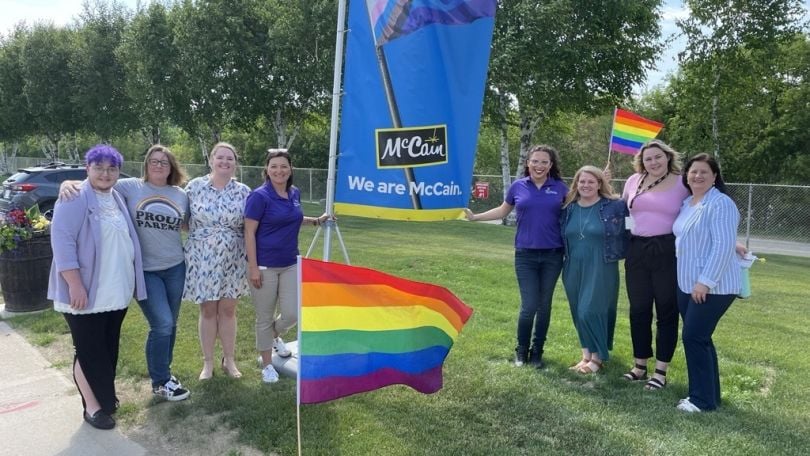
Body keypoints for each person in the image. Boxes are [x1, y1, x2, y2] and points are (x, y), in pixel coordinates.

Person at [60, 145, 191, 401]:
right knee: (162, 324)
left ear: (171, 166)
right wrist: (67, 182)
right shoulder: (129, 187)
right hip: (144, 272)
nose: (158, 166)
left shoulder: (181, 194)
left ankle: (165, 372)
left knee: (171, 324)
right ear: (146, 164)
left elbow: (188, 225)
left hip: (175, 267)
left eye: (164, 162)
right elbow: (95, 184)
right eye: (153, 161)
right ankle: (161, 381)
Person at [48, 145, 147, 430]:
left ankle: (105, 398)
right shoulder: (74, 196)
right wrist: (75, 285)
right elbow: (63, 244)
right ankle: (92, 408)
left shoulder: (116, 196)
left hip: (115, 293)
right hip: (85, 292)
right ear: (87, 168)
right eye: (99, 167)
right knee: (88, 349)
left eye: (112, 168)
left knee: (106, 349)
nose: (106, 174)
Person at [465, 145, 567, 367]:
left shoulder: (560, 188)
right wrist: (475, 217)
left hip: (553, 255)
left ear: (551, 165)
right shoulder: (518, 186)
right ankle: (521, 351)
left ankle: (537, 351)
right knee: (529, 305)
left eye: (544, 162)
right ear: (528, 163)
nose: (539, 166)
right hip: (525, 256)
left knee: (544, 305)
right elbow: (502, 211)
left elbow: (580, 208)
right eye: (535, 161)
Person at [244, 149, 328, 383]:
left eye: (283, 166)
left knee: (292, 312)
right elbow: (249, 232)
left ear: (290, 169)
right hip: (263, 265)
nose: (279, 171)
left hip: (290, 262)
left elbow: (292, 216)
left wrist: (315, 221)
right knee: (264, 316)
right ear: (267, 170)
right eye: (274, 166)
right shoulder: (259, 196)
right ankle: (267, 365)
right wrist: (253, 267)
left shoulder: (294, 193)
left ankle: (272, 335)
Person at [672, 153, 741, 413]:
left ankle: (701, 401)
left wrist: (705, 282)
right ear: (686, 175)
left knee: (693, 337)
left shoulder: (721, 203)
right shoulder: (688, 202)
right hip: (685, 283)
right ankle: (711, 395)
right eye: (693, 171)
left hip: (713, 286)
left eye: (704, 172)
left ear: (714, 177)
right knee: (701, 338)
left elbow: (723, 245)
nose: (697, 176)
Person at [620, 140, 689, 390]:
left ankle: (660, 371)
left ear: (668, 157)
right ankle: (639, 366)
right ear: (642, 161)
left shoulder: (683, 182)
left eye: (658, 157)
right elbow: (624, 212)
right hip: (637, 250)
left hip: (667, 251)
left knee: (666, 311)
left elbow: (700, 212)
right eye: (649, 158)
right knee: (638, 309)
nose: (654, 162)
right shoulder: (632, 181)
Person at [184, 142, 251, 380]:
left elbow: (255, 223)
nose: (225, 162)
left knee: (229, 309)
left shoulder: (243, 191)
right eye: (220, 157)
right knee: (208, 309)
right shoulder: (194, 188)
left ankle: (229, 360)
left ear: (235, 163)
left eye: (230, 159)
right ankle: (208, 362)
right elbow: (182, 219)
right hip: (202, 258)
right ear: (211, 160)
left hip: (233, 258)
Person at [560, 166, 628, 374]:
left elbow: (631, 230)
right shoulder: (568, 208)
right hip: (572, 265)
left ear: (600, 184)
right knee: (577, 310)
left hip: (601, 265)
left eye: (591, 182)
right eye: (582, 182)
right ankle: (586, 355)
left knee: (590, 310)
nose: (586, 185)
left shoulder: (614, 206)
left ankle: (598, 358)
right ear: (576, 184)